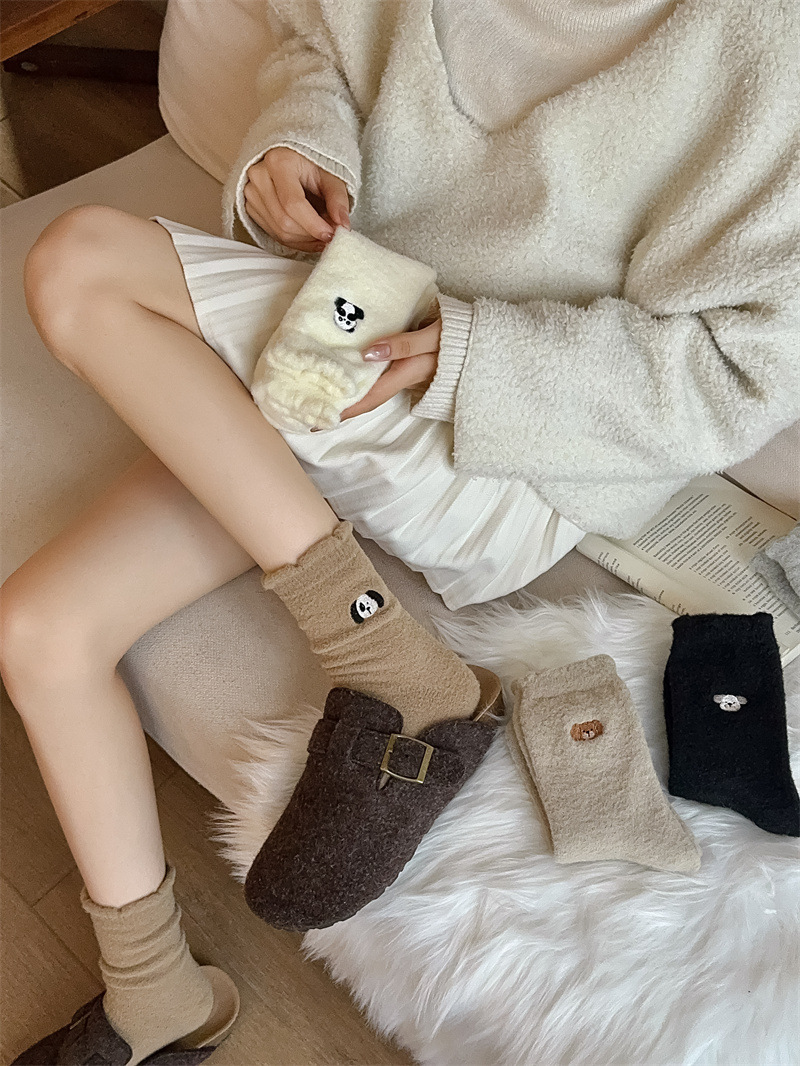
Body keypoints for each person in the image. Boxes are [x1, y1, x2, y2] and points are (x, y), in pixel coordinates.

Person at [3, 0, 798, 1061]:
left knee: (80, 264)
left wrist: (473, 355)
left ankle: (383, 649)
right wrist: (295, 146)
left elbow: (736, 374)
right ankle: (154, 995)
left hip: (511, 439)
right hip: (339, 342)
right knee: (40, 633)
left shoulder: (762, 46)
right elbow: (319, 46)